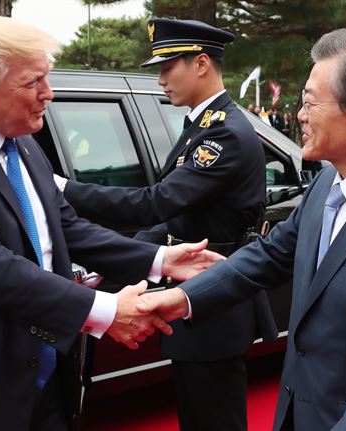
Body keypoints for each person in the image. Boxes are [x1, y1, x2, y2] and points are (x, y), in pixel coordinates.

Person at [138, 28, 346, 430]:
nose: (300, 115)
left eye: (310, 102)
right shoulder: (327, 183)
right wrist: (182, 298)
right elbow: (269, 256)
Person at [0, 16, 222, 431]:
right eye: (33, 82)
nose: (47, 95)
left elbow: (65, 227)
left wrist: (160, 259)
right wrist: (105, 310)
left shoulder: (26, 145)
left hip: (51, 366)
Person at [55, 18, 276, 431]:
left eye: (166, 67)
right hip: (196, 291)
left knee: (214, 419)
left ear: (201, 64)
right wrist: (124, 258)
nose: (160, 80)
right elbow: (178, 219)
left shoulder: (224, 134)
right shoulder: (204, 124)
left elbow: (154, 204)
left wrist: (63, 188)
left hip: (214, 296)